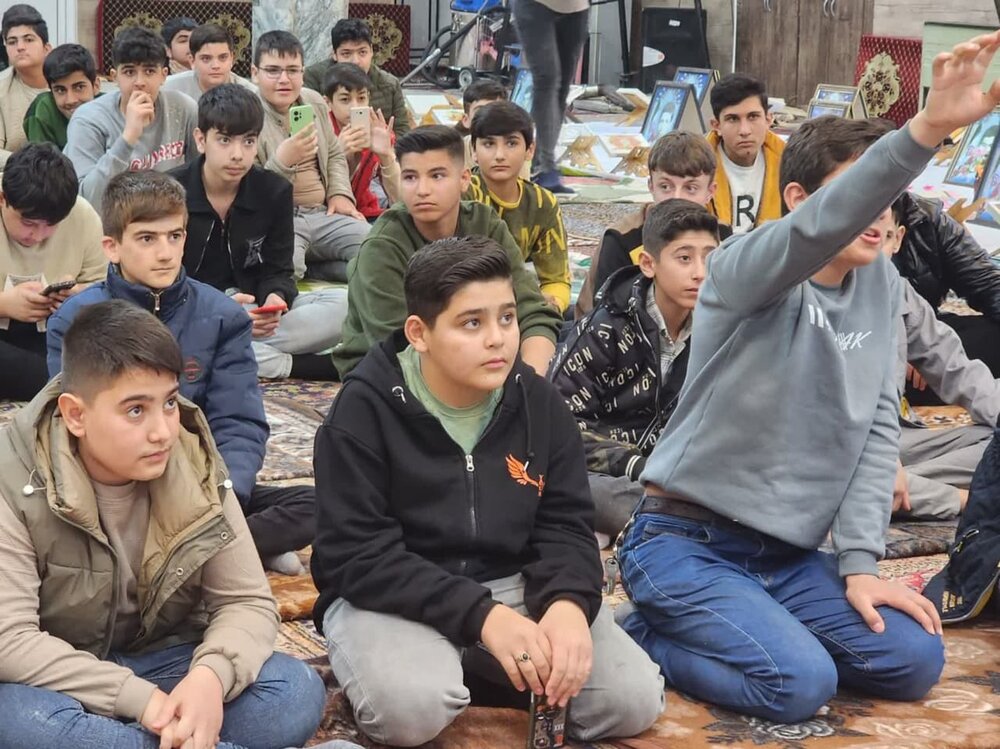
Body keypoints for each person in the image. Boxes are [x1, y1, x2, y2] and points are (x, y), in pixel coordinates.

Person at [612, 31, 1000, 715]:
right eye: (860, 195)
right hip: (685, 540)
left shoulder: (881, 287)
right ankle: (640, 632)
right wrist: (927, 128)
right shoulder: (744, 269)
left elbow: (877, 431)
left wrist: (860, 566)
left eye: (888, 199)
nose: (878, 215)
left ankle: (746, 619)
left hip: (786, 554)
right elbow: (821, 227)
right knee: (798, 681)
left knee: (913, 661)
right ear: (799, 199)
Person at [312, 236, 665, 746]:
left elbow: (566, 524)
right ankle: (460, 665)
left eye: (507, 318)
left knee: (630, 702)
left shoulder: (539, 404)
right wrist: (481, 617)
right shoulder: (363, 410)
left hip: (513, 585)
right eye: (471, 323)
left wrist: (568, 603)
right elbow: (356, 556)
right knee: (410, 712)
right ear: (419, 333)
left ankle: (477, 668)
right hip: (395, 595)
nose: (498, 339)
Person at [0, 299, 326, 748]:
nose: (163, 432)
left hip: (164, 661)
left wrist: (210, 678)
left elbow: (247, 600)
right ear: (76, 415)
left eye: (169, 403)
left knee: (293, 693)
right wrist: (140, 700)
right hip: (60, 676)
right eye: (136, 410)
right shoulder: (12, 478)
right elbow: (11, 640)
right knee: (17, 719)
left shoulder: (195, 462)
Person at [47, 170, 315, 575]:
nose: (165, 253)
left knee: (318, 504)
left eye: (174, 236)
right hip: (113, 488)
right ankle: (234, 549)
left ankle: (203, 547)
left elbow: (239, 422)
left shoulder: (222, 316)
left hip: (199, 483)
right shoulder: (75, 321)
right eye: (147, 239)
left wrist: (225, 495)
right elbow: (67, 426)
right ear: (112, 247)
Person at [331, 125, 563, 378]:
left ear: (464, 179)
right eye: (410, 177)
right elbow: (398, 346)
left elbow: (532, 310)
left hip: (477, 350)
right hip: (390, 372)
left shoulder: (484, 223)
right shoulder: (383, 245)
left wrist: (531, 382)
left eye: (437, 176)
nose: (422, 190)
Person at [550, 200, 718, 537]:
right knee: (591, 494)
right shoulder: (604, 330)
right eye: (684, 258)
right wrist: (637, 465)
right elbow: (558, 426)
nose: (700, 272)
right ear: (648, 264)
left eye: (710, 258)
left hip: (676, 474)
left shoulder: (716, 330)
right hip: (609, 474)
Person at [171, 83, 347, 381]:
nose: (237, 154)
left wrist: (275, 298)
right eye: (224, 140)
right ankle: (291, 365)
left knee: (346, 305)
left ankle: (229, 351)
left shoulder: (274, 191)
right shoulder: (172, 193)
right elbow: (163, 281)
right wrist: (222, 310)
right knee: (168, 334)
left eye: (249, 142)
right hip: (196, 310)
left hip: (255, 310)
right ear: (201, 140)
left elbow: (279, 269)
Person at [882, 202, 998, 520]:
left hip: (890, 445)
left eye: (884, 231)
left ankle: (901, 488)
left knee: (991, 438)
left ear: (897, 237)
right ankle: (893, 490)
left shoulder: (894, 287)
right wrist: (961, 499)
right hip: (825, 455)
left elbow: (956, 368)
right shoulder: (800, 295)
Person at [252, 30, 370, 282]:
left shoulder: (313, 101)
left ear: (303, 73)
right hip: (280, 220)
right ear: (254, 73)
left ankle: (316, 268)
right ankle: (312, 267)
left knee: (377, 250)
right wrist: (282, 162)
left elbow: (334, 153)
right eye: (273, 71)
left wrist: (339, 194)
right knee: (284, 272)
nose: (284, 79)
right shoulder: (247, 114)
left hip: (323, 212)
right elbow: (247, 188)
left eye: (292, 70)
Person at [576, 131, 728, 318]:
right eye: (665, 187)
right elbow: (607, 315)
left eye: (690, 188)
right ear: (651, 186)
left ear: (710, 191)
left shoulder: (723, 236)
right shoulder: (623, 239)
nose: (676, 198)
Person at [0, 143, 104, 400]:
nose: (38, 235)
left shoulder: (81, 214)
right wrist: (4, 305)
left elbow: (106, 288)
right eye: (28, 223)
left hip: (57, 332)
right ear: (2, 199)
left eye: (51, 225)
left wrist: (78, 297)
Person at [64, 26, 197, 213]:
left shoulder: (184, 108)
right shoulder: (87, 119)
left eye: (149, 71)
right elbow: (87, 201)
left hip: (167, 218)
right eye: (129, 72)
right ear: (114, 77)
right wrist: (128, 137)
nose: (139, 82)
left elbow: (199, 176)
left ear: (163, 75)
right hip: (111, 222)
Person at [466, 100, 570, 312]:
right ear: (474, 150)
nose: (500, 155)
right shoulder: (464, 195)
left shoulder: (542, 202)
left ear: (530, 150)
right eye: (489, 144)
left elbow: (556, 278)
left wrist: (554, 305)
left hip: (519, 304)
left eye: (511, 143)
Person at [892, 189, 1000, 383]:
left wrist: (926, 347)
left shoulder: (925, 217)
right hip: (861, 342)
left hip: (924, 329)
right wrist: (898, 348)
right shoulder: (841, 224)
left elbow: (988, 283)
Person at [512, 0, 588, 194]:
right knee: (547, 79)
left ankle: (539, 161)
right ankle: (544, 167)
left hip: (576, 7)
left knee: (562, 87)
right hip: (535, 5)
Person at [304, 18, 409, 139]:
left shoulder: (390, 84)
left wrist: (383, 144)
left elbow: (403, 133)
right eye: (346, 54)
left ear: (371, 51)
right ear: (334, 54)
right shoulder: (314, 78)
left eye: (362, 52)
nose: (355, 61)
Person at [706, 73, 785, 235]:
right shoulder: (696, 167)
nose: (744, 130)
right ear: (716, 125)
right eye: (733, 119)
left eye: (753, 117)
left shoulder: (788, 162)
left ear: (768, 119)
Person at [321, 62, 400, 220]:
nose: (355, 107)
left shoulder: (378, 131)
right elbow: (313, 194)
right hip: (328, 213)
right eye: (345, 99)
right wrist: (338, 156)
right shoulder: (320, 133)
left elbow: (400, 199)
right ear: (327, 102)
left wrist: (387, 156)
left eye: (362, 98)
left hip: (366, 209)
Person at [0, 4, 50, 168]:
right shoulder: (2, 88)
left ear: (46, 48)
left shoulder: (67, 82)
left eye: (28, 39)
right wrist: (34, 165)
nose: (20, 47)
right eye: (12, 42)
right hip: (16, 174)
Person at [23, 43, 100, 150]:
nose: (70, 100)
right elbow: (41, 159)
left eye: (79, 87)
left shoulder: (110, 108)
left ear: (96, 86)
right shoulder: (43, 111)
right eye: (60, 90)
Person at [162, 23, 256, 102]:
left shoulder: (251, 95)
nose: (215, 66)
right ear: (192, 61)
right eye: (206, 59)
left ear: (232, 58)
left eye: (223, 57)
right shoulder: (167, 88)